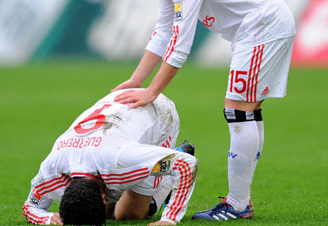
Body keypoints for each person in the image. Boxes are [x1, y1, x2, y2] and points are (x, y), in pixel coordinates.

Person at [111, 0, 296, 221]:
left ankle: (237, 205)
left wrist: (152, 92)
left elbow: (180, 43)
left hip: (262, 28)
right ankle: (239, 202)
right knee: (246, 111)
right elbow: (162, 32)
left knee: (237, 110)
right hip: (258, 29)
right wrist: (137, 80)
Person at [22, 89, 198, 225]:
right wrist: (48, 217)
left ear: (104, 198)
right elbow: (30, 206)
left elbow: (186, 165)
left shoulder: (124, 161)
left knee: (128, 215)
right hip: (115, 118)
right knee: (101, 210)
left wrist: (169, 219)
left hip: (157, 113)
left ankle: (175, 156)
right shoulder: (51, 170)